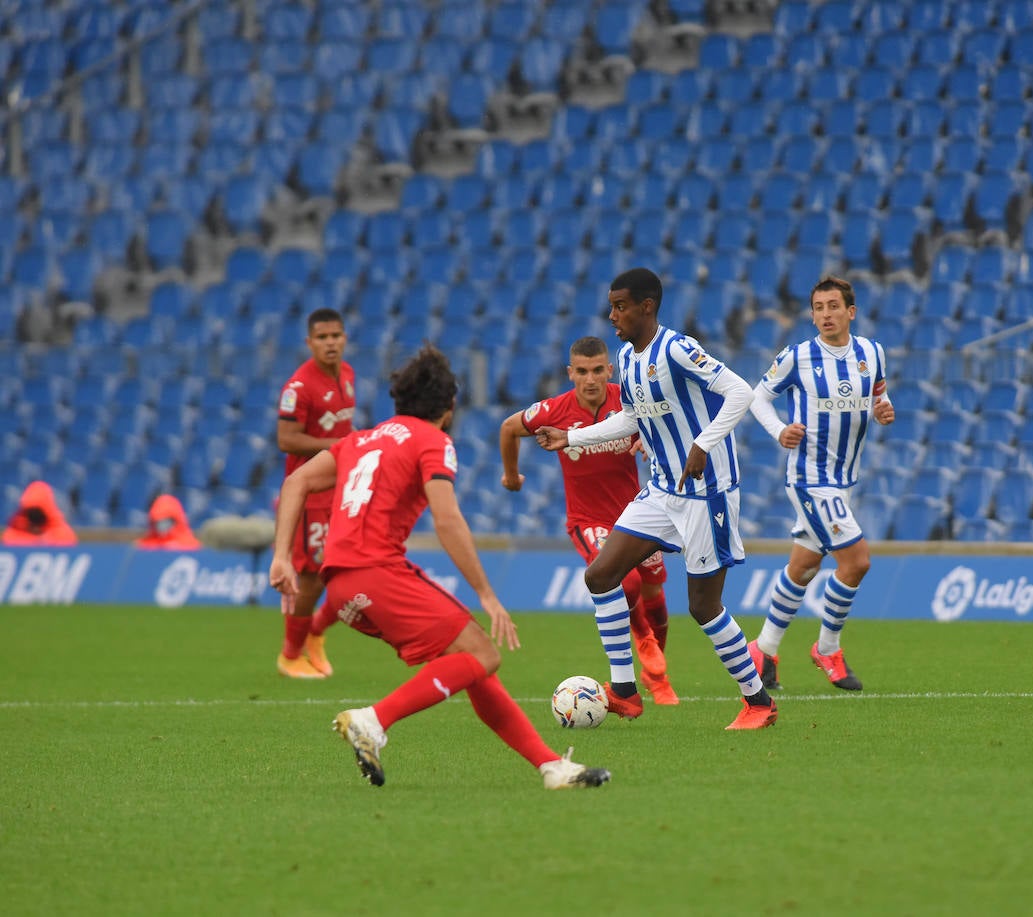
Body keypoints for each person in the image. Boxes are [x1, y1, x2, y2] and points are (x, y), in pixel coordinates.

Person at [268, 344, 609, 791]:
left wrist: (281, 556)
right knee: (484, 654)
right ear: (448, 409)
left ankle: (551, 767)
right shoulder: (433, 441)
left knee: (470, 664)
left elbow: (296, 481)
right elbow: (446, 519)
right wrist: (486, 594)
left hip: (341, 585)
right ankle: (374, 720)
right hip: (378, 572)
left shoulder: (360, 440)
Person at [535, 267, 777, 730]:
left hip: (707, 493)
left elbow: (739, 392)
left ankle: (759, 702)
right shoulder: (626, 358)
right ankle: (625, 692)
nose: (612, 315)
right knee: (601, 575)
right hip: (663, 490)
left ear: (647, 307)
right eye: (611, 306)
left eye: (620, 306)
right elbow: (630, 418)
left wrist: (703, 444)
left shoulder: (678, 349)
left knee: (703, 607)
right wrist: (571, 437)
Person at [500, 336, 678, 706]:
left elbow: (665, 425)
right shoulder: (553, 410)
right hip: (589, 520)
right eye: (582, 371)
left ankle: (655, 672)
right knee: (625, 581)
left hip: (636, 515)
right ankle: (643, 639)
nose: (591, 379)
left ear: (610, 370)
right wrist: (512, 475)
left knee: (654, 593)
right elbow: (508, 428)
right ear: (570, 373)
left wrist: (649, 442)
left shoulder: (628, 400)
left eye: (598, 370)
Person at [745, 275, 894, 692]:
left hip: (843, 479)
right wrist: (779, 430)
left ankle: (763, 650)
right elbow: (757, 398)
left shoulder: (872, 352)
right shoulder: (797, 357)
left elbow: (879, 394)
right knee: (856, 562)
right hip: (811, 478)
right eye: (818, 308)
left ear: (851, 312)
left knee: (804, 566)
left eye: (833, 306)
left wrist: (883, 409)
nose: (826, 314)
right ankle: (827, 648)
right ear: (812, 316)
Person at [274, 308, 355, 679]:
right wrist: (338, 445)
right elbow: (286, 439)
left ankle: (316, 633)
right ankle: (291, 654)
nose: (330, 343)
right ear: (309, 342)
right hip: (311, 495)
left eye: (335, 336)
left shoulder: (348, 374)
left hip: (341, 489)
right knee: (311, 577)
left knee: (348, 570)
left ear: (344, 338)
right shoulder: (298, 387)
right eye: (322, 337)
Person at [2, 480, 78, 546]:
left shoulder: (63, 534)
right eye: (31, 514)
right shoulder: (12, 534)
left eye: (39, 515)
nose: (35, 521)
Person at [134, 494, 202, 550]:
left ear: (176, 521)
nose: (162, 526)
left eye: (167, 521)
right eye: (158, 522)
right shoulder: (143, 546)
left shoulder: (192, 546)